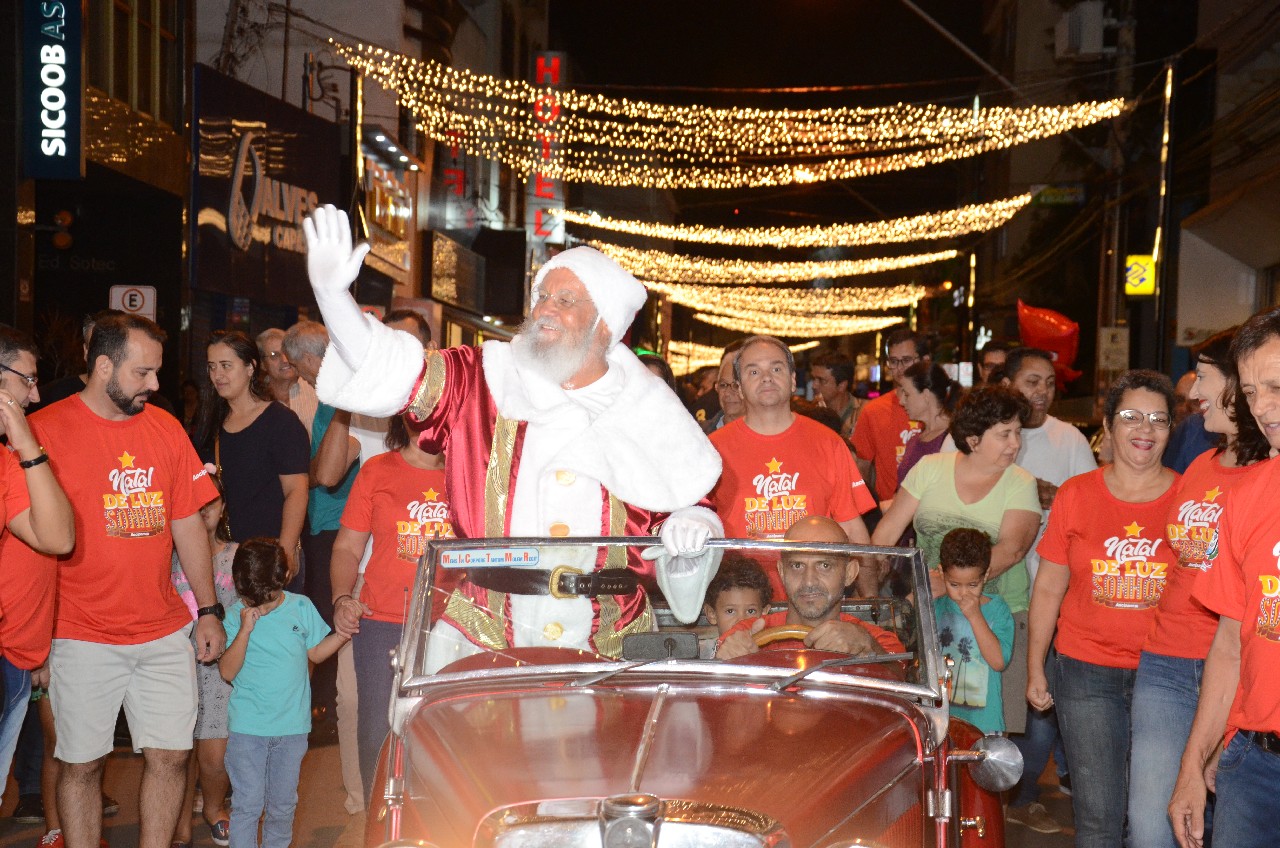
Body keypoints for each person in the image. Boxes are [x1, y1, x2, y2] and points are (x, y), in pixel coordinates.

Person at [302, 205, 723, 669]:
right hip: (485, 637)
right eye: (542, 296)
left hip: (610, 646)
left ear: (604, 325)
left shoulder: (649, 409)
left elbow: (685, 504)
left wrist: (692, 527)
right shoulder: (483, 377)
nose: (545, 308)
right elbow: (390, 368)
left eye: (565, 300)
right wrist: (332, 296)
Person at [20, 313, 223, 848]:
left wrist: (208, 609)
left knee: (171, 757)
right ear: (104, 365)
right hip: (79, 633)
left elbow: (187, 523)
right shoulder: (43, 432)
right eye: (143, 373)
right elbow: (27, 544)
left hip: (161, 631)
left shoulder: (165, 428)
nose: (155, 385)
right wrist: (35, 637)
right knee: (81, 765)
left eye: (156, 373)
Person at [1026, 369, 1179, 848]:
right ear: (1110, 426)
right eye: (1131, 417)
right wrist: (1036, 665)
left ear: (1172, 429)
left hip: (1168, 676)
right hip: (1086, 671)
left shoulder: (1190, 498)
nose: (1145, 430)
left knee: (1154, 819)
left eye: (1158, 419)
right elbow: (1050, 586)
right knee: (1098, 818)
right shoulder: (1078, 494)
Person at [1127, 329, 1266, 848]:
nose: (1193, 392)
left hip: (1237, 670)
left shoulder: (1268, 478)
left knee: (1229, 824)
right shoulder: (1200, 465)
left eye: (1205, 376)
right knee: (1150, 825)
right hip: (1166, 662)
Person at [1168, 306, 1280, 848]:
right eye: (1254, 391)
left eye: (1278, 386)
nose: (1263, 408)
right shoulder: (1249, 492)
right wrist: (1196, 764)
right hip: (1254, 764)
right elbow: (1231, 643)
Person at [998, 346, 1097, 833]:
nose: (1040, 392)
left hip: (1053, 589)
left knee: (1041, 697)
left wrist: (1057, 498)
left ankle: (1022, 788)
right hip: (997, 589)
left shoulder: (1069, 438)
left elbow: (1092, 506)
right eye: (1030, 381)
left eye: (1049, 383)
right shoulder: (986, 431)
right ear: (1009, 383)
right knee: (1002, 695)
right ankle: (995, 788)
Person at [330, 414, 454, 796]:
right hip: (380, 619)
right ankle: (378, 823)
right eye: (419, 412)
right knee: (376, 733)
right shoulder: (377, 470)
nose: (428, 421)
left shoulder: (467, 474)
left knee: (440, 733)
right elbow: (348, 547)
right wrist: (341, 598)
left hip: (448, 625)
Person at [709, 335, 875, 600]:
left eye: (776, 369)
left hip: (813, 602)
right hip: (741, 605)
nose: (766, 377)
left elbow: (854, 532)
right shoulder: (711, 451)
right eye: (754, 371)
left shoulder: (828, 443)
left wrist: (871, 604)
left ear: (793, 381)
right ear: (739, 387)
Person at [219, 539, 349, 848]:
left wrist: (343, 635)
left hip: (291, 730)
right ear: (240, 587)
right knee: (248, 805)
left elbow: (315, 653)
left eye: (270, 598)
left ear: (285, 577)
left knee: (282, 806)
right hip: (248, 730)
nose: (261, 607)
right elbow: (226, 671)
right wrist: (245, 631)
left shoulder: (300, 607)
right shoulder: (236, 613)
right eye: (255, 600)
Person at [871, 385, 1041, 617]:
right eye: (1005, 434)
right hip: (932, 607)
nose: (1016, 443)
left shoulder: (1021, 483)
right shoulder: (930, 468)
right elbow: (886, 533)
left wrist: (947, 583)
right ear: (973, 441)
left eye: (1018, 432)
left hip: (998, 614)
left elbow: (1012, 550)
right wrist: (871, 580)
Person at [0, 326, 74, 802]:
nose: (36, 393)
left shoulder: (8, 462)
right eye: (26, 380)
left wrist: (26, 447)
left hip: (13, 654)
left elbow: (58, 538)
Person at [283, 320, 360, 739]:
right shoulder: (333, 394)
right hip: (330, 522)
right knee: (330, 616)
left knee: (331, 616)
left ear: (311, 359)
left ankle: (328, 714)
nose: (301, 375)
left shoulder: (338, 396)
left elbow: (328, 471)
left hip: (339, 525)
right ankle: (327, 710)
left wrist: (309, 475)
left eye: (299, 367)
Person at [191, 331, 309, 576]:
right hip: (224, 559)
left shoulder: (280, 422)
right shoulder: (211, 423)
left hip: (270, 558)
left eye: (226, 366)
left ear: (250, 367)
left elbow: (296, 491)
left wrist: (284, 554)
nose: (218, 375)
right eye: (212, 367)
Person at [716, 516, 905, 660]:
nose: (808, 581)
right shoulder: (745, 634)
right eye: (797, 566)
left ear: (850, 573)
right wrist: (725, 665)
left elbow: (901, 686)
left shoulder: (876, 640)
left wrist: (869, 648)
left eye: (824, 565)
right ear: (781, 572)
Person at [169, 477, 239, 848]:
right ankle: (178, 821)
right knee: (176, 753)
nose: (202, 512)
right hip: (176, 664)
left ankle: (213, 807)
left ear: (223, 506)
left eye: (210, 504)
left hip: (220, 670)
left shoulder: (236, 555)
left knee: (214, 754)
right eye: (194, 506)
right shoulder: (168, 559)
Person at [934, 527, 1013, 734]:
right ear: (941, 572)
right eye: (954, 584)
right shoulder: (935, 607)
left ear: (985, 575)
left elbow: (998, 661)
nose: (963, 593)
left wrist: (976, 616)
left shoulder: (997, 610)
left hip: (984, 724)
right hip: (942, 720)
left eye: (972, 585)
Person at [851, 328, 926, 510]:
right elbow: (861, 467)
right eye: (893, 361)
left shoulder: (940, 408)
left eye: (907, 360)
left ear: (925, 360)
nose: (900, 368)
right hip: (890, 510)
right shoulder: (874, 411)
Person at [895, 362, 960, 486]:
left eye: (907, 394)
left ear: (925, 395)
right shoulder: (916, 439)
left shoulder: (954, 439)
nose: (901, 401)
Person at [255, 328, 318, 437]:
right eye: (274, 355)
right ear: (262, 364)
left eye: (287, 352)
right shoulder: (255, 398)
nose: (284, 360)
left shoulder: (316, 390)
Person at [702, 556, 773, 636]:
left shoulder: (775, 648)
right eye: (730, 611)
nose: (741, 621)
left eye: (750, 611)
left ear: (764, 612)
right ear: (712, 614)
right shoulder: (702, 648)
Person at [809, 351, 862, 438]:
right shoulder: (810, 414)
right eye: (813, 379)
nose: (814, 385)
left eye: (821, 380)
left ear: (842, 385)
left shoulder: (864, 413)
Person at [701, 340, 745, 434]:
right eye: (723, 385)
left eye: (736, 386)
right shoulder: (699, 434)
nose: (728, 393)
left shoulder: (770, 434)